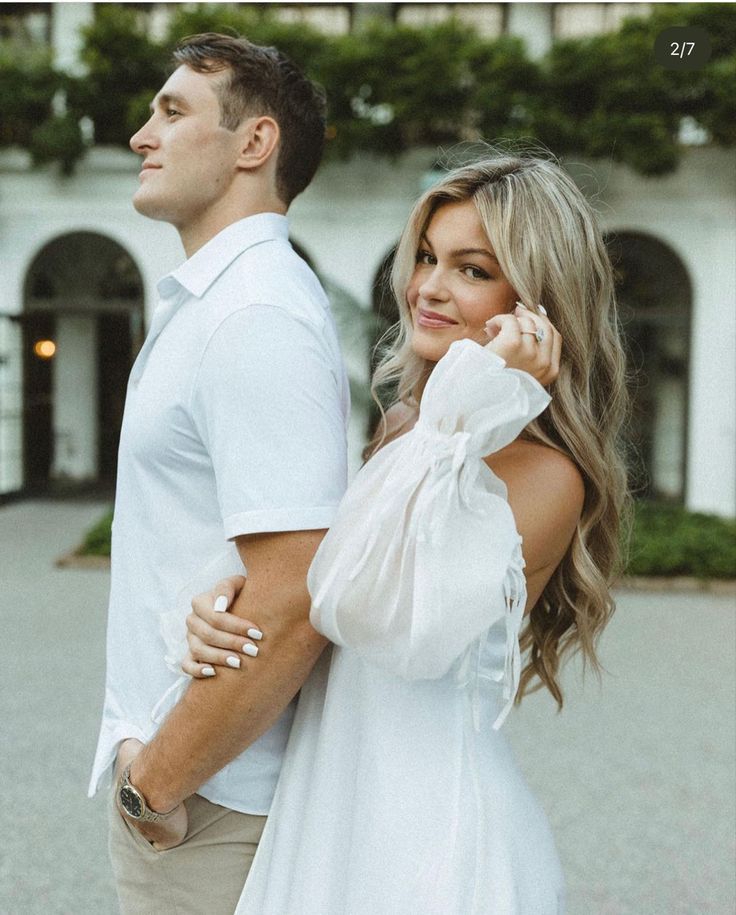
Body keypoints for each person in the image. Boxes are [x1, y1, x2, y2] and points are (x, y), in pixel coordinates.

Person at [182, 152, 629, 913]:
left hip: (432, 843)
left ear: (538, 303)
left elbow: (384, 620)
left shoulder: (547, 475)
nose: (427, 287)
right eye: (426, 257)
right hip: (325, 811)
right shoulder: (406, 429)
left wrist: (471, 398)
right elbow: (329, 579)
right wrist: (234, 601)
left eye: (471, 268)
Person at [87, 33, 350, 915]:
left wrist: (153, 787)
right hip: (197, 793)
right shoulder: (222, 302)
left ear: (254, 144)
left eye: (172, 111)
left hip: (211, 805)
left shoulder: (255, 314)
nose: (140, 135)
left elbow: (292, 592)